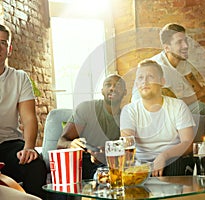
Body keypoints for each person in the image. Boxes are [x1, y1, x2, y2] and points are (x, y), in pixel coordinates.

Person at [121, 59, 195, 177]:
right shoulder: (129, 110)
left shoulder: (178, 106)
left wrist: (164, 156)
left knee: (174, 166)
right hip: (141, 164)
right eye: (140, 78)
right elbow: (127, 143)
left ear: (162, 82)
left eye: (150, 77)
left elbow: (188, 143)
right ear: (136, 84)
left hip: (172, 160)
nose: (144, 81)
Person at [0, 24, 47, 198]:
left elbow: (28, 119)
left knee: (35, 165)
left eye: (3, 42)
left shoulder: (19, 78)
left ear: (9, 49)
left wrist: (29, 148)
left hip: (10, 144)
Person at [57, 74, 127, 179]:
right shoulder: (86, 109)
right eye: (108, 85)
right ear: (102, 91)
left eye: (117, 85)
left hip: (110, 164)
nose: (112, 88)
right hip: (82, 163)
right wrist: (71, 144)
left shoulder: (127, 117)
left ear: (125, 92)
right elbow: (61, 142)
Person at [131, 23, 205, 114]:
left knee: (202, 108)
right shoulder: (159, 68)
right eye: (179, 42)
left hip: (169, 111)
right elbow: (170, 105)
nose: (185, 46)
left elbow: (199, 90)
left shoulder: (182, 62)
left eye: (185, 41)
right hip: (148, 114)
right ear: (167, 48)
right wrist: (201, 93)